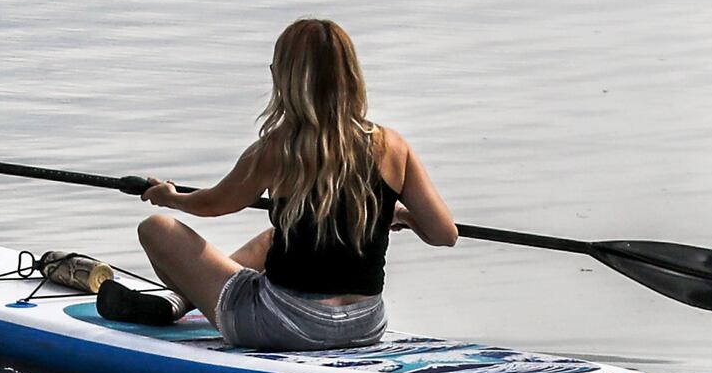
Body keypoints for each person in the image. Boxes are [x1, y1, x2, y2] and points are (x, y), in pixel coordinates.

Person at [96, 18, 458, 349]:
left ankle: (182, 299)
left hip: (284, 325)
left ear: (286, 78)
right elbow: (445, 234)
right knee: (273, 238)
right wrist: (406, 216)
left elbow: (210, 205)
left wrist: (169, 197)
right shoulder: (392, 145)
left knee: (156, 229)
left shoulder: (278, 148)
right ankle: (178, 302)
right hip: (365, 326)